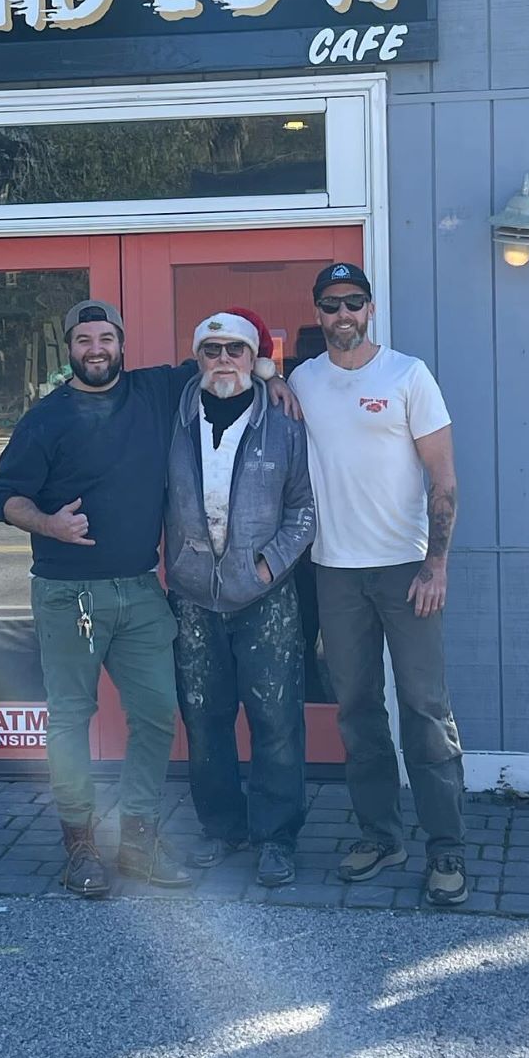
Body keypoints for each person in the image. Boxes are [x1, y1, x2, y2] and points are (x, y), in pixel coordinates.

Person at [0, 298, 299, 899]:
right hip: (67, 593)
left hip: (140, 589)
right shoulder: (45, 418)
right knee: (71, 720)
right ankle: (79, 845)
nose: (96, 349)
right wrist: (48, 524)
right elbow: (2, 496)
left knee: (157, 714)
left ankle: (136, 837)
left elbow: (228, 359)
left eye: (106, 338)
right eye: (84, 340)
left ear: (121, 345)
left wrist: (276, 378)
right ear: (71, 350)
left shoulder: (154, 391)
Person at [288, 263, 468, 906]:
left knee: (424, 709)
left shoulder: (407, 376)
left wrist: (435, 565)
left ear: (370, 309)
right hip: (334, 572)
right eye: (331, 304)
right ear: (318, 312)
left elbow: (442, 480)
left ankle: (446, 848)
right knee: (358, 710)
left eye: (354, 303)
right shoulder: (302, 382)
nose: (343, 314)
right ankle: (380, 834)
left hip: (406, 571)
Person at [165, 309, 315, 887]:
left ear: (256, 358)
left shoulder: (284, 421)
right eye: (211, 350)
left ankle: (276, 837)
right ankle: (220, 828)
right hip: (194, 597)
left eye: (235, 350)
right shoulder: (172, 415)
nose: (222, 360)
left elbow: (304, 510)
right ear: (196, 356)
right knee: (205, 719)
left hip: (267, 595)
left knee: (276, 719)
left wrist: (267, 563)